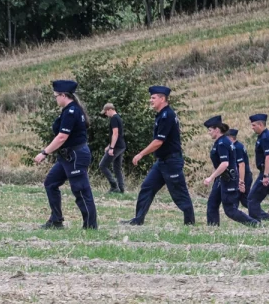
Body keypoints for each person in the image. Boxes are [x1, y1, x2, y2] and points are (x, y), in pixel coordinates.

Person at [123, 85, 195, 226]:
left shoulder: (167, 115)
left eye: (153, 98)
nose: (151, 100)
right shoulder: (161, 115)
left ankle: (190, 223)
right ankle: (138, 220)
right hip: (162, 162)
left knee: (179, 194)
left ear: (162, 99)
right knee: (147, 188)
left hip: (171, 161)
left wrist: (141, 154)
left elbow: (158, 142)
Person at [34, 79, 97, 229]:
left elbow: (62, 137)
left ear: (63, 95)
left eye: (56, 96)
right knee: (51, 183)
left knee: (81, 190)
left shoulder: (71, 111)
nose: (55, 99)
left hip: (75, 156)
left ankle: (90, 226)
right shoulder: (71, 110)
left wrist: (45, 152)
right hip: (66, 157)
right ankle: (56, 220)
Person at [202, 116, 259, 228]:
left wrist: (211, 177)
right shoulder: (220, 142)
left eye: (210, 130)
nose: (209, 133)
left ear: (217, 130)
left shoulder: (223, 143)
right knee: (212, 204)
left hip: (228, 180)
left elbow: (225, 164)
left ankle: (254, 224)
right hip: (221, 179)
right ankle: (212, 228)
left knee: (230, 210)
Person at [228, 128, 262, 218]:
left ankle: (262, 215)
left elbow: (241, 165)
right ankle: (262, 215)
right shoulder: (238, 145)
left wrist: (241, 181)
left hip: (243, 176)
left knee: (245, 199)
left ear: (230, 138)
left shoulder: (236, 147)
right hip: (244, 175)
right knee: (244, 200)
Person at [98, 103, 126, 193]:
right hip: (121, 145)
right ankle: (121, 189)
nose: (106, 114)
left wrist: (111, 148)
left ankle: (114, 186)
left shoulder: (113, 118)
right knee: (116, 168)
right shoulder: (118, 117)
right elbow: (118, 134)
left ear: (110, 110)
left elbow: (115, 133)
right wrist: (109, 145)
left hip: (117, 147)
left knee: (102, 165)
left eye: (106, 112)